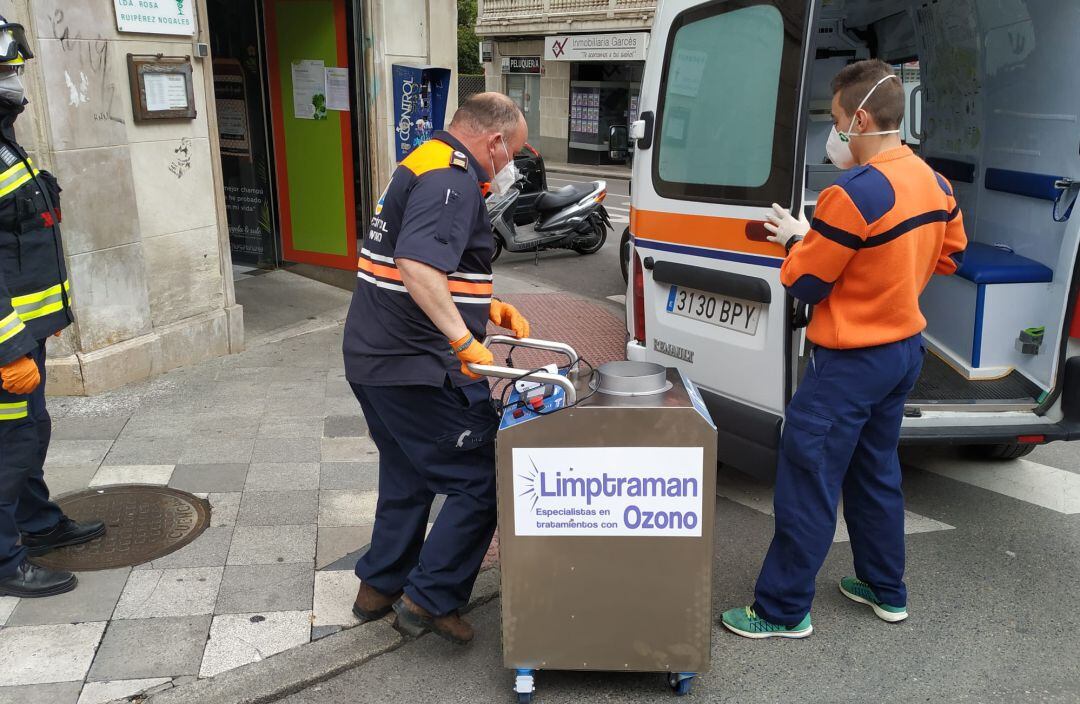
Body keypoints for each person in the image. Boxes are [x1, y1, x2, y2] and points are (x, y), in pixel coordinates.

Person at [721, 60, 968, 638]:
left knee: (808, 476)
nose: (834, 136)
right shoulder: (934, 182)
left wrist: (800, 244)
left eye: (835, 122)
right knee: (875, 471)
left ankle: (781, 611)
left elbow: (806, 284)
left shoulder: (850, 194)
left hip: (849, 362)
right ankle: (886, 590)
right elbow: (950, 251)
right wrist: (878, 269)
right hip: (904, 349)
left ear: (859, 119)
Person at [343, 93, 531, 644]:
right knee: (482, 478)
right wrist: (462, 339)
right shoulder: (452, 180)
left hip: (375, 358)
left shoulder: (422, 159)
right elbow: (417, 264)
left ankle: (378, 587)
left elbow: (417, 263)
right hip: (414, 364)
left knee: (407, 473)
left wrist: (483, 307)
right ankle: (429, 598)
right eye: (510, 154)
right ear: (494, 141)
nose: (507, 167)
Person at [0, 17, 105, 599]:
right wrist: (11, 346)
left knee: (30, 432)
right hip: (5, 341)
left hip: (23, 330)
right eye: (4, 69)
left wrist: (43, 323)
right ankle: (4, 560)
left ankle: (35, 524)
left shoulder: (4, 140)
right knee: (9, 441)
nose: (13, 79)